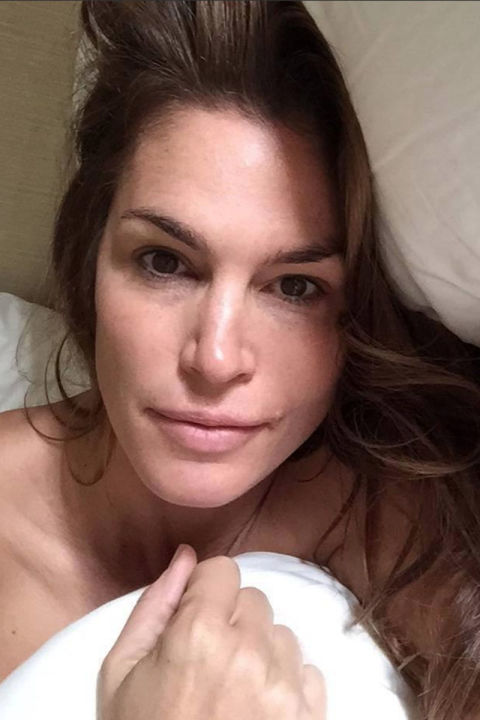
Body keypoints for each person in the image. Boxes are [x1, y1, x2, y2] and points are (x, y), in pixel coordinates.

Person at [0, 1, 479, 718]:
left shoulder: (391, 519)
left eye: (295, 287)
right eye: (165, 261)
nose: (216, 358)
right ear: (89, 257)